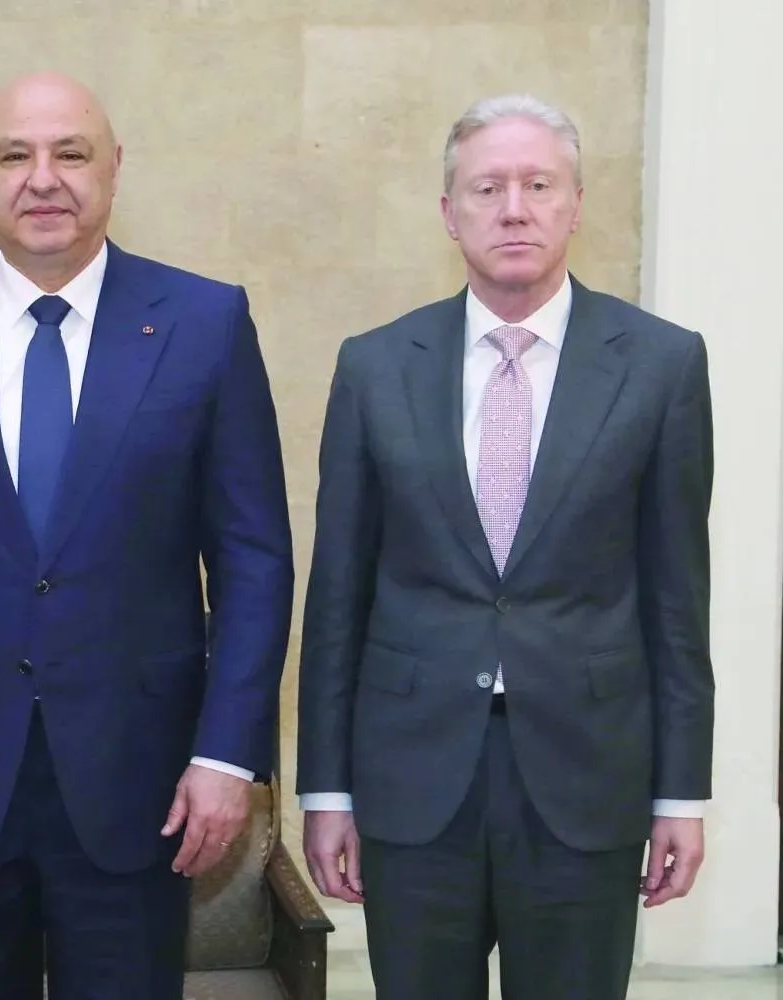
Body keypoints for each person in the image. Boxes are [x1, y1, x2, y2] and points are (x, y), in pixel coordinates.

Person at [0, 72, 293, 999]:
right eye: (15, 156)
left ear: (114, 170)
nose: (44, 179)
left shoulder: (204, 323)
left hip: (139, 784)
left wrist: (227, 754)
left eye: (71, 154)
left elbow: (253, 563)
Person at [296, 94, 714, 1000]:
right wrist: (325, 789)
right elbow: (338, 594)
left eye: (538, 184)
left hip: (586, 777)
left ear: (575, 203)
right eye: (487, 188)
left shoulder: (661, 364)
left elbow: (678, 597)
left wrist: (681, 793)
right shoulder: (375, 366)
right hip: (413, 779)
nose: (514, 208)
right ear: (450, 214)